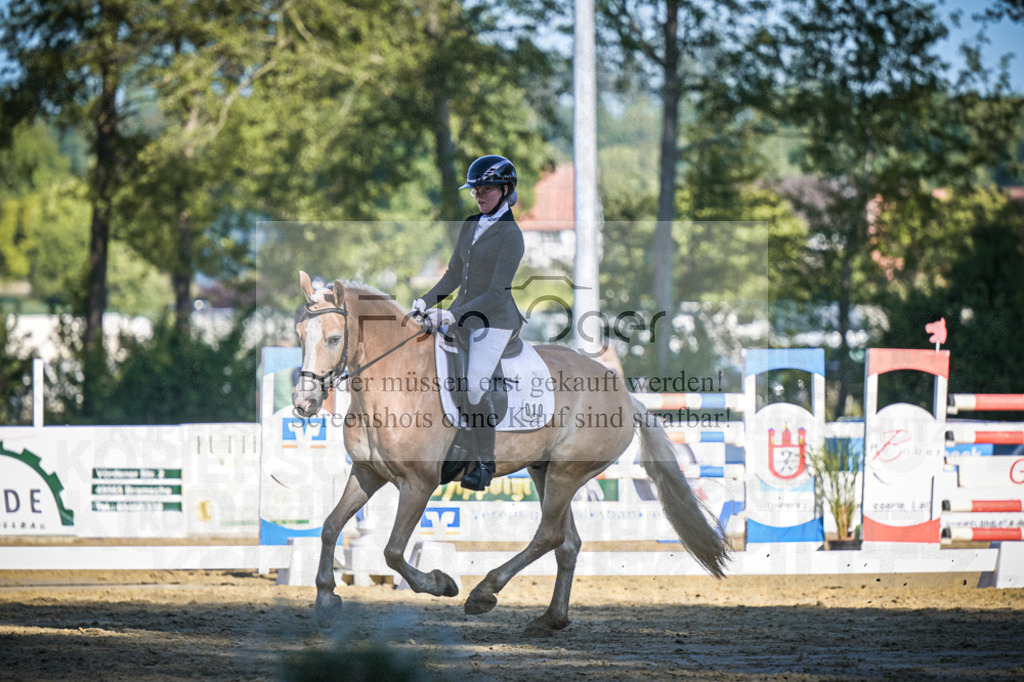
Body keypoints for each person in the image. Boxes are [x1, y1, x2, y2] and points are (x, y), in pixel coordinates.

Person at [410, 155, 525, 490]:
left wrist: (452, 314)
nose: (478, 195)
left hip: (495, 320)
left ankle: (485, 464)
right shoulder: (471, 223)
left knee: (474, 385)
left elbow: (496, 292)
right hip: (462, 315)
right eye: (475, 190)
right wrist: (425, 301)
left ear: (505, 190)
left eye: (485, 189)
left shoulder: (511, 236)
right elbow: (454, 274)